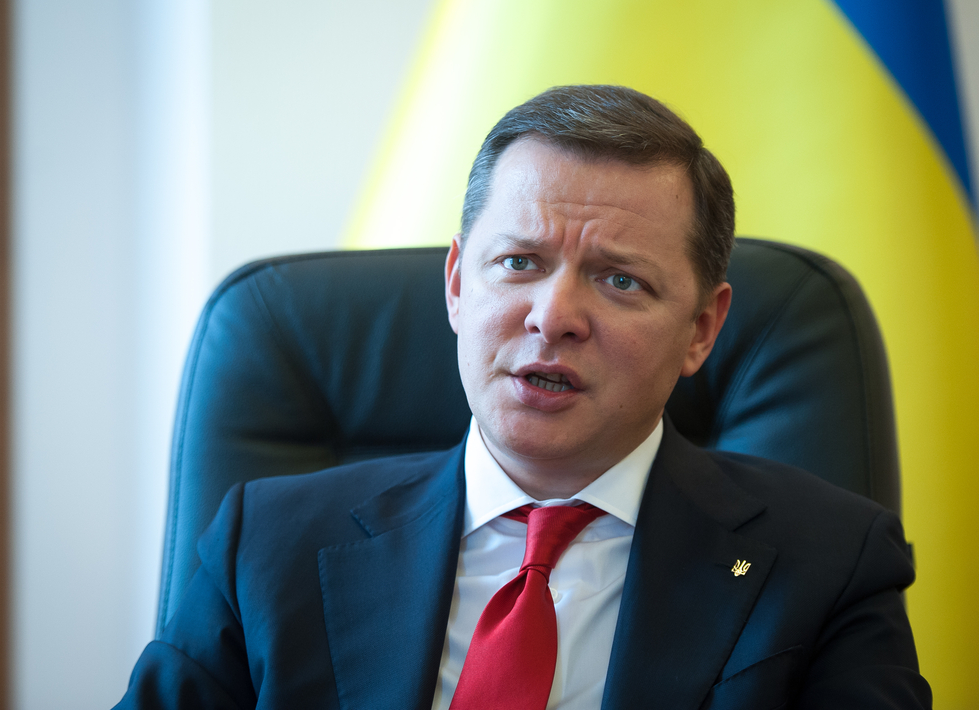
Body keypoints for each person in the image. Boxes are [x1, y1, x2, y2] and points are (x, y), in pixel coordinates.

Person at [116, 85, 931, 709]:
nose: (554, 316)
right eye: (519, 263)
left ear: (700, 330)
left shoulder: (830, 561)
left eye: (620, 280)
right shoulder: (268, 544)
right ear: (457, 284)